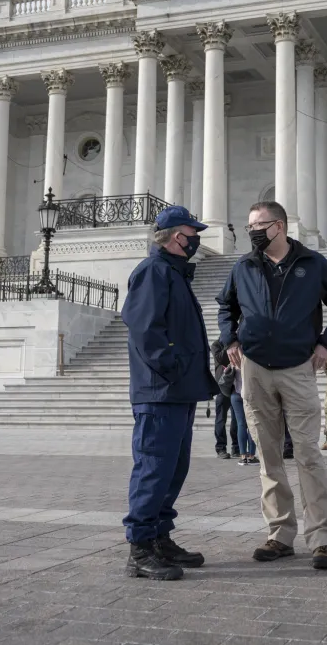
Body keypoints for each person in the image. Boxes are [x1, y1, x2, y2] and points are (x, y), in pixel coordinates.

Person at [217, 200, 327, 571]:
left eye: (259, 225)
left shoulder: (313, 265)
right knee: (268, 456)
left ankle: (322, 538)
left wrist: (326, 343)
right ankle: (280, 534)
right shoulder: (243, 265)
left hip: (298, 368)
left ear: (279, 226)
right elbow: (224, 307)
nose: (253, 232)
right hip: (256, 368)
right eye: (249, 226)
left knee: (308, 453)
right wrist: (230, 340)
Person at [121, 205, 216, 581]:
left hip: (178, 389)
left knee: (173, 469)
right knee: (153, 468)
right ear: (177, 236)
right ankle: (140, 549)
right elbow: (145, 330)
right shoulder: (153, 272)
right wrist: (174, 367)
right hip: (160, 390)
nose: (196, 240)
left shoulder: (173, 273)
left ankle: (160, 537)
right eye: (193, 233)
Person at [212, 341, 239, 459]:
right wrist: (229, 345)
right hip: (222, 388)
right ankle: (221, 448)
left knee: (237, 420)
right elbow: (221, 358)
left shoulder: (237, 344)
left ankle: (236, 448)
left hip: (235, 387)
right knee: (220, 419)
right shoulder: (216, 345)